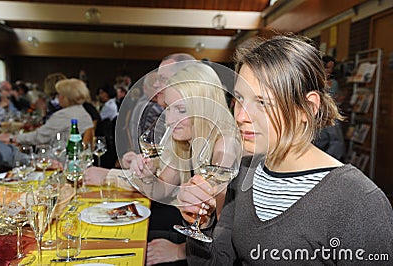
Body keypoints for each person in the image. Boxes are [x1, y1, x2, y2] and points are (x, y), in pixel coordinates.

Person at [177, 35, 393, 265]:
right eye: (239, 99)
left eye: (262, 103)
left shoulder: (358, 202)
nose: (240, 116)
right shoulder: (245, 171)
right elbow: (219, 261)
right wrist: (201, 223)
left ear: (307, 108)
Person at [129, 61, 239, 265]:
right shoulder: (185, 138)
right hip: (196, 237)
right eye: (167, 109)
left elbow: (226, 234)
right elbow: (161, 190)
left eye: (180, 110)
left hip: (213, 250)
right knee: (131, 238)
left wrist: (181, 251)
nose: (169, 120)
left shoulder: (224, 148)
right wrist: (146, 176)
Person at [0, 78, 93, 145]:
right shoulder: (84, 113)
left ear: (65, 97)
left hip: (59, 161)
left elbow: (39, 137)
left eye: (59, 94)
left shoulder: (64, 115)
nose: (58, 97)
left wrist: (12, 138)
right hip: (76, 161)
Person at [314, 55, 346, 160]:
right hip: (319, 115)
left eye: (332, 68)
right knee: (320, 140)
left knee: (336, 140)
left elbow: (338, 97)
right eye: (327, 67)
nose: (330, 71)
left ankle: (330, 162)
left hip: (332, 114)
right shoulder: (315, 82)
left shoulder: (335, 83)